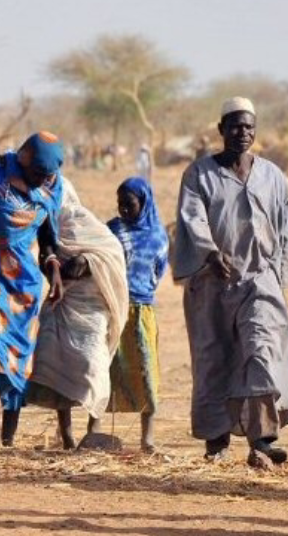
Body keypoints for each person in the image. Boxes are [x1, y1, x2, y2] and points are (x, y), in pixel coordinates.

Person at [173, 97, 288, 468]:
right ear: (221, 130)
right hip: (212, 285)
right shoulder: (199, 174)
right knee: (215, 360)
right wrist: (210, 253)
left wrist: (276, 276)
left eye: (249, 126)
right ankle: (217, 442)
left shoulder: (273, 176)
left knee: (261, 353)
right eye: (235, 126)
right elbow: (192, 218)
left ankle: (262, 439)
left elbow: (284, 230)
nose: (242, 133)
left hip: (260, 283)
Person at [0, 131, 64, 446]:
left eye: (46, 174)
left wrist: (52, 265)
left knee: (18, 363)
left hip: (25, 286)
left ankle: (8, 438)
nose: (40, 180)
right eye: (36, 172)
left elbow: (49, 233)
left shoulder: (53, 187)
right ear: (23, 159)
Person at [26, 177, 128, 449]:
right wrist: (54, 268)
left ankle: (95, 428)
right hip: (62, 306)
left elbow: (112, 253)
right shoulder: (46, 228)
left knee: (93, 365)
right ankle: (67, 434)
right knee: (55, 363)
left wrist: (86, 261)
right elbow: (45, 261)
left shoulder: (83, 222)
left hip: (93, 308)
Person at [107, 176, 168, 453]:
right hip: (113, 308)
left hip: (142, 311)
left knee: (146, 371)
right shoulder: (111, 231)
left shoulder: (158, 236)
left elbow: (159, 271)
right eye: (120, 204)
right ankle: (94, 432)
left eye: (129, 204)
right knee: (105, 368)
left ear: (143, 202)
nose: (123, 209)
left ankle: (148, 439)